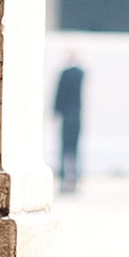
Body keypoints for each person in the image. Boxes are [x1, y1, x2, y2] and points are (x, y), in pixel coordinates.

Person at [51, 58, 85, 194]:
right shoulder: (79, 73)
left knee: (65, 149)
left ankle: (66, 180)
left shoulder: (65, 74)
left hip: (67, 117)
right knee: (73, 150)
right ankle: (73, 180)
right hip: (75, 116)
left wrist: (56, 111)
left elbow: (59, 94)